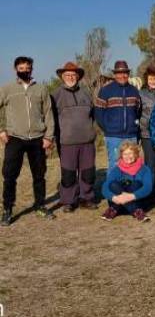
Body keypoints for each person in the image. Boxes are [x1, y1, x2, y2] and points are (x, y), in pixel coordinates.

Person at [0, 57, 56, 226]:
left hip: (38, 139)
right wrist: (1, 130)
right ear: (15, 69)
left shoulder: (41, 89)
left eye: (27, 67)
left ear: (32, 69)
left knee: (39, 175)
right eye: (21, 67)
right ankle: (7, 209)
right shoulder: (7, 89)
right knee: (9, 175)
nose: (25, 70)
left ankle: (40, 205)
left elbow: (48, 113)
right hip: (15, 138)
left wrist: (49, 136)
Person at [52, 62, 97, 212]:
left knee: (88, 172)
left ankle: (87, 198)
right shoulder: (55, 94)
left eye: (73, 75)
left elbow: (93, 114)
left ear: (78, 77)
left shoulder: (86, 93)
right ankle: (69, 201)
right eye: (67, 75)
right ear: (62, 77)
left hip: (87, 141)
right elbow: (50, 118)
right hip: (67, 142)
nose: (71, 77)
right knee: (68, 173)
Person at [95, 60, 141, 170]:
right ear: (115, 74)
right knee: (114, 165)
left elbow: (138, 111)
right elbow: (98, 112)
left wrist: (135, 128)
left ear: (128, 74)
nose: (122, 76)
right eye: (119, 73)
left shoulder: (134, 91)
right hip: (113, 136)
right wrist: (108, 128)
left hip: (131, 136)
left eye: (125, 73)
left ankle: (130, 187)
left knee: (132, 165)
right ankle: (112, 187)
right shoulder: (105, 90)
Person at [101, 142, 153, 222]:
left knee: (136, 184)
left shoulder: (144, 169)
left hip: (137, 201)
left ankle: (113, 210)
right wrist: (113, 198)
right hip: (118, 203)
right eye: (125, 154)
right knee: (113, 185)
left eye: (130, 153)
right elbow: (105, 187)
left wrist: (132, 196)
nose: (128, 157)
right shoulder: (116, 169)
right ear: (121, 155)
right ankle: (136, 211)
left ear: (135, 154)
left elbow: (148, 187)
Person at [139, 65, 155, 172]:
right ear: (146, 80)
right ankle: (149, 187)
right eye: (150, 79)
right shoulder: (141, 94)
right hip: (147, 134)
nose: (153, 81)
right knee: (150, 162)